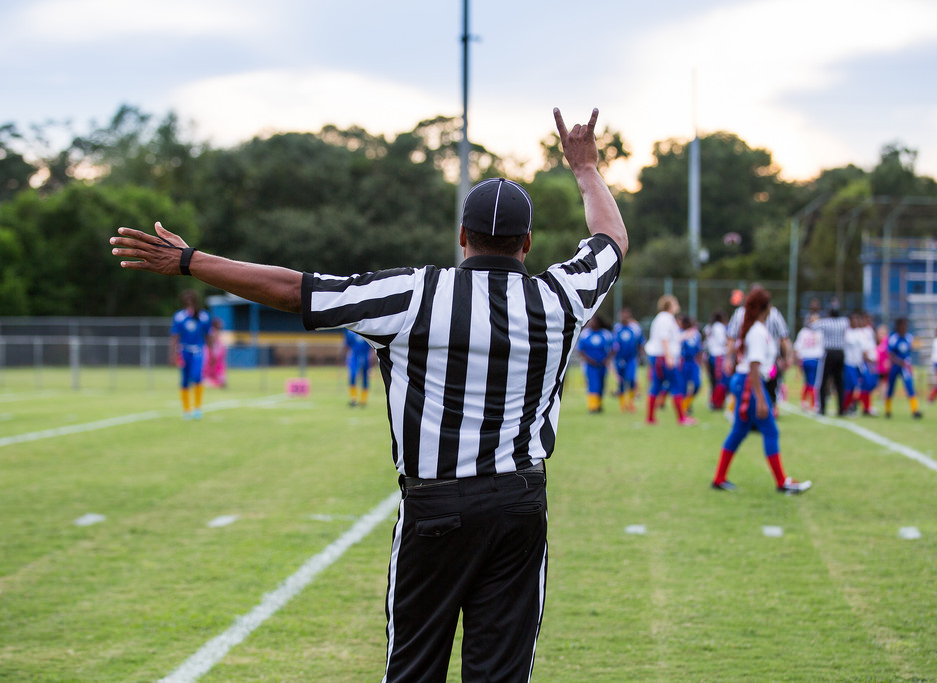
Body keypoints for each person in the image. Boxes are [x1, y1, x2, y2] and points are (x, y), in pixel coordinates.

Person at [111, 107, 628, 682]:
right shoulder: (561, 298)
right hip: (518, 502)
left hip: (437, 503)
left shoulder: (415, 293)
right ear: (527, 243)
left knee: (413, 669)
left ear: (462, 236)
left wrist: (190, 261)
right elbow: (610, 240)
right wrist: (584, 169)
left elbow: (295, 291)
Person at [710, 286, 811, 495]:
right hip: (750, 383)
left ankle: (719, 478)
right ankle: (782, 482)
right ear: (766, 307)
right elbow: (754, 367)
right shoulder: (757, 331)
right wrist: (762, 400)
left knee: (738, 432)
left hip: (746, 381)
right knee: (771, 431)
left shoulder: (755, 327)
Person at [170, 289, 212, 419]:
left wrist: (212, 352)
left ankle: (198, 408)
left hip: (198, 350)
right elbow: (175, 336)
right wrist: (172, 354)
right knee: (184, 380)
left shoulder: (203, 316)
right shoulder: (179, 316)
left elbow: (208, 335)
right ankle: (186, 409)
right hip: (184, 350)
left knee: (197, 376)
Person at [644, 294, 686, 425]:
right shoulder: (665, 318)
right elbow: (664, 338)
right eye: (675, 303)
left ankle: (650, 418)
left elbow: (672, 338)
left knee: (656, 386)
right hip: (663, 357)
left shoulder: (664, 318)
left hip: (660, 357)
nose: (677, 305)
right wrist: (668, 357)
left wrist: (685, 335)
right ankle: (681, 418)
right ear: (670, 305)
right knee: (676, 385)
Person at [810, 299, 848, 416]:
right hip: (840, 353)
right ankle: (841, 408)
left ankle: (822, 408)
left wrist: (817, 317)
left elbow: (812, 326)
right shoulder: (844, 322)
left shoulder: (825, 322)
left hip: (829, 353)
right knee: (839, 382)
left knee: (823, 381)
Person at [885, 317, 923, 419]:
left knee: (909, 386)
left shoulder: (909, 337)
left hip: (905, 366)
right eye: (902, 325)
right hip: (895, 366)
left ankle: (915, 410)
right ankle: (888, 410)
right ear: (898, 326)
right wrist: (899, 362)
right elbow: (890, 354)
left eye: (905, 325)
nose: (904, 327)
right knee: (891, 387)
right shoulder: (893, 338)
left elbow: (912, 348)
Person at [577, 315, 615, 413]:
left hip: (602, 364)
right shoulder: (585, 334)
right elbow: (580, 350)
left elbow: (614, 348)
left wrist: (607, 359)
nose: (592, 323)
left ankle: (599, 405)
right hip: (590, 365)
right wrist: (589, 359)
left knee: (601, 384)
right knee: (593, 384)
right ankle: (592, 407)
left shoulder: (606, 334)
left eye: (594, 321)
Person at [611, 307, 644, 412]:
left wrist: (641, 355)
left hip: (631, 359)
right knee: (620, 382)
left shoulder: (635, 328)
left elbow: (640, 342)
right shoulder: (616, 328)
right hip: (618, 359)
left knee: (630, 380)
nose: (623, 318)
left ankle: (630, 404)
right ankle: (622, 405)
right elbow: (612, 344)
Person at [793, 315, 823, 411]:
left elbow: (797, 347)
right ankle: (813, 403)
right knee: (813, 382)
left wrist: (797, 361)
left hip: (805, 359)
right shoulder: (819, 332)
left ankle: (803, 401)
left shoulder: (803, 332)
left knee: (807, 381)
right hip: (815, 359)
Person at [678, 315, 702, 425]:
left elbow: (699, 350)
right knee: (682, 387)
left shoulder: (695, 334)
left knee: (697, 385)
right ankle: (683, 411)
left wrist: (700, 363)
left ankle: (687, 404)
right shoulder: (679, 333)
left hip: (693, 362)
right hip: (683, 362)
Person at [703, 310, 729, 410]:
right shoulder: (719, 327)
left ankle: (715, 401)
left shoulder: (710, 327)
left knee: (714, 380)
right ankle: (716, 402)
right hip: (718, 355)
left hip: (712, 355)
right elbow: (722, 341)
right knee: (721, 380)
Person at [343, 327, 373, 407]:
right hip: (354, 356)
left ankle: (363, 400)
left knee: (365, 378)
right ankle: (353, 399)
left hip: (365, 356)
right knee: (352, 376)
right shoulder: (349, 330)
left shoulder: (366, 327)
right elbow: (347, 344)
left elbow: (371, 344)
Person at [203, 315, 228, 388]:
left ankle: (216, 381)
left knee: (222, 381)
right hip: (211, 363)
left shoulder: (218, 335)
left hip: (218, 365)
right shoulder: (212, 333)